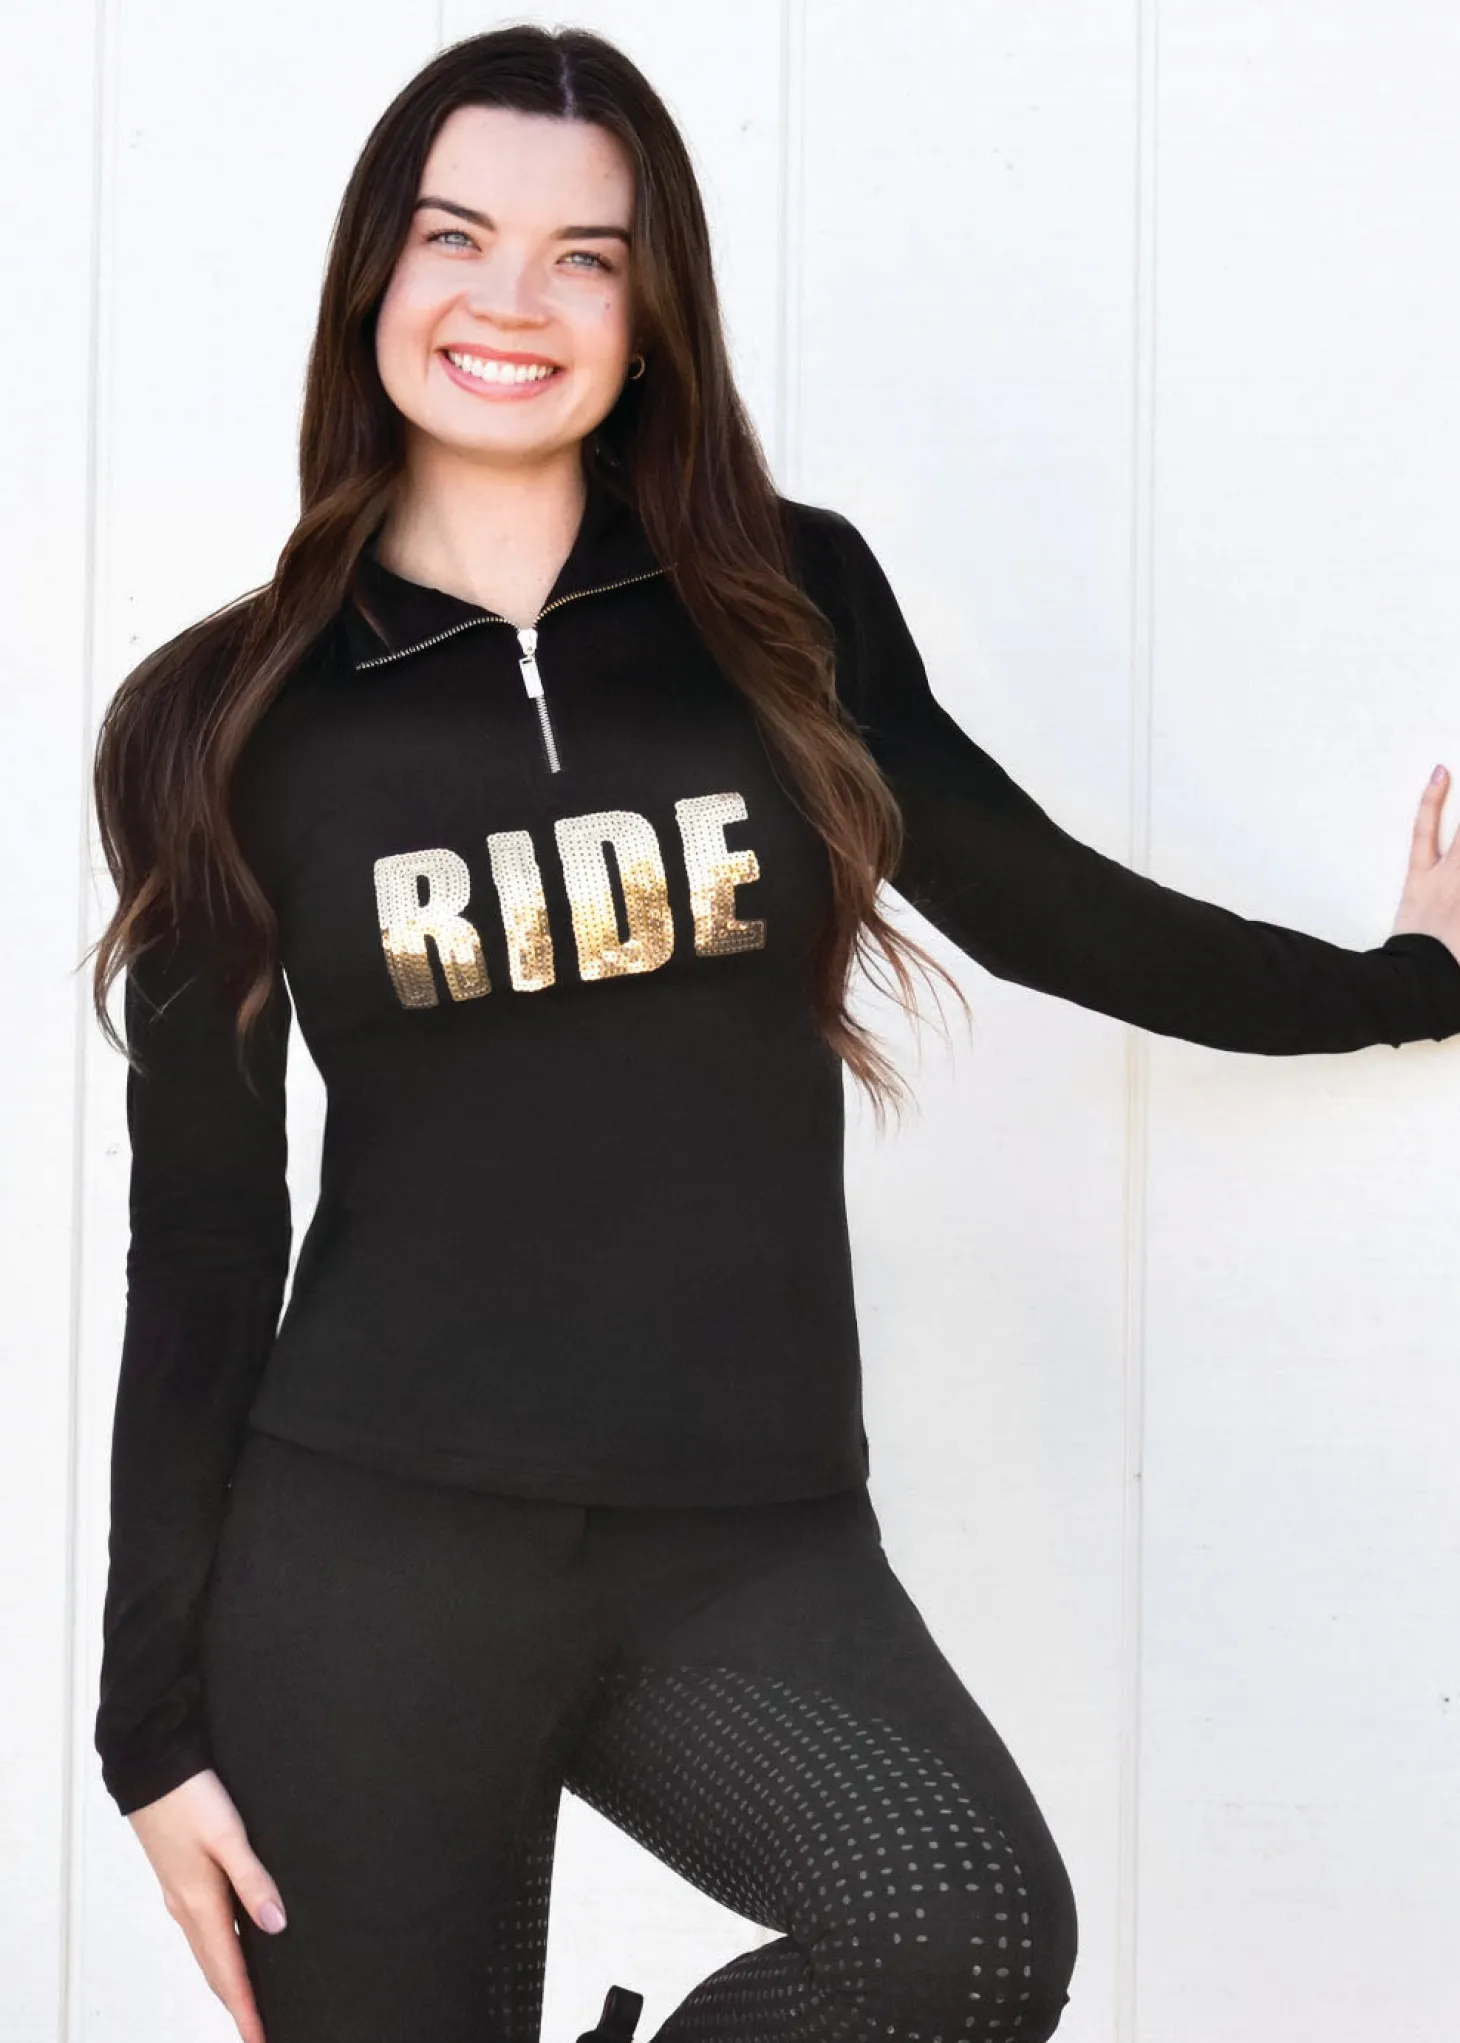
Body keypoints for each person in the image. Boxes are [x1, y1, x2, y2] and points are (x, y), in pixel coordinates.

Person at [86, 24, 1460, 2043]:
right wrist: (147, 1724)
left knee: (960, 1933)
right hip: (368, 1551)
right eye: (458, 237)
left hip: (741, 1536)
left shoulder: (782, 606)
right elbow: (205, 1241)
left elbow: (1042, 902)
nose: (511, 299)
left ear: (652, 307)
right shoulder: (218, 721)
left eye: (584, 255)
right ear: (375, 271)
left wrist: (1405, 979)